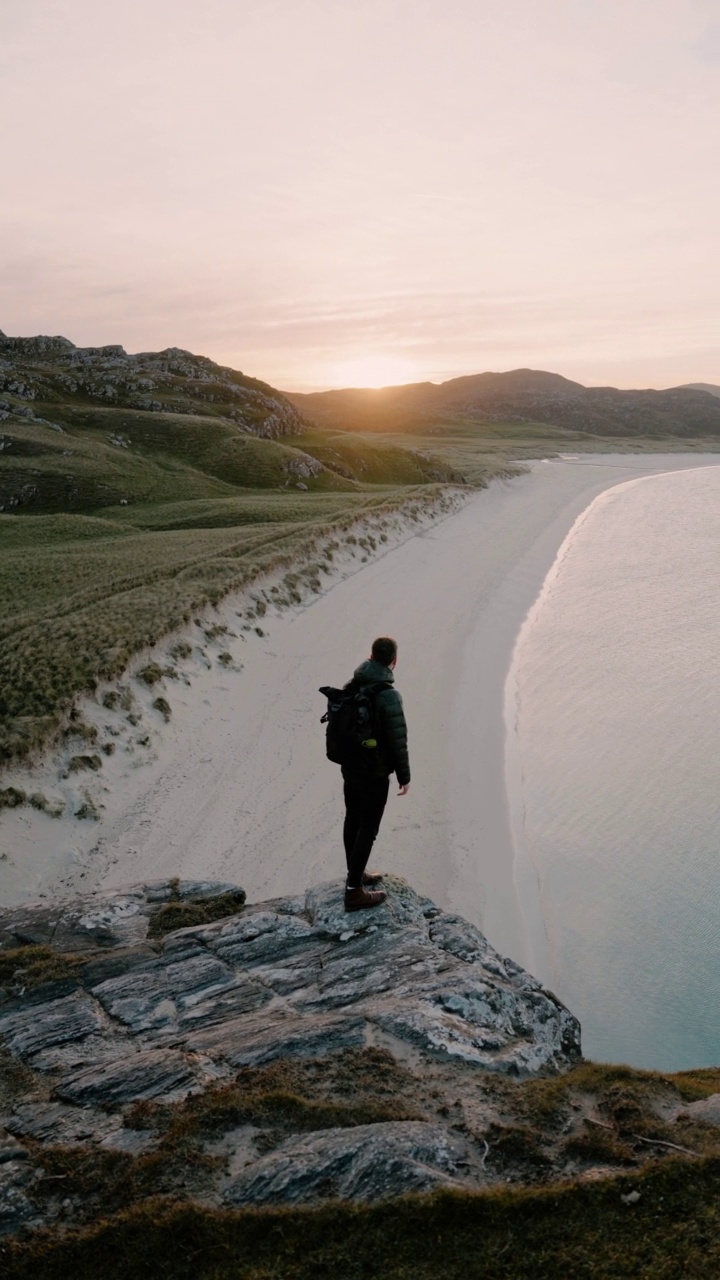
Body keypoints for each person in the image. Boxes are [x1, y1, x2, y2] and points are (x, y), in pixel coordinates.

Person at [342, 636, 410, 912]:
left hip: (351, 766)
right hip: (374, 772)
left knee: (352, 821)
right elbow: (397, 739)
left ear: (371, 656)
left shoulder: (353, 684)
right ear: (394, 660)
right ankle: (354, 891)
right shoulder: (389, 695)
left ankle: (355, 875)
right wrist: (404, 776)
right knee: (368, 829)